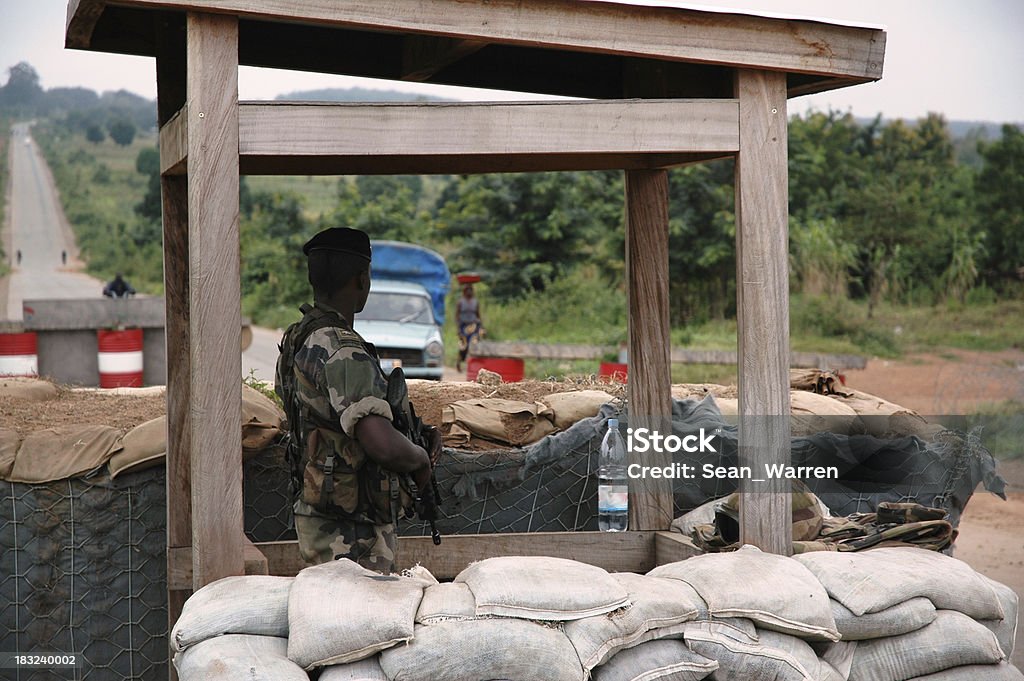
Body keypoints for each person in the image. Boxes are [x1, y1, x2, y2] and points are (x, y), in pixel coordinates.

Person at [275, 227, 438, 573]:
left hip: (321, 516)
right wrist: (421, 459)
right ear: (362, 280)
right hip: (352, 531)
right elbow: (380, 442)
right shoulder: (343, 351)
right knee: (362, 619)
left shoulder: (299, 337)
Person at [455, 283, 483, 373]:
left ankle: (473, 366)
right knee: (463, 346)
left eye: (471, 290)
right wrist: (458, 328)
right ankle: (459, 362)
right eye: (467, 290)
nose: (469, 292)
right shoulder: (461, 302)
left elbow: (478, 314)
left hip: (473, 325)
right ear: (465, 291)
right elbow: (457, 315)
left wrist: (481, 326)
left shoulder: (475, 302)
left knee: (474, 344)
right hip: (464, 326)